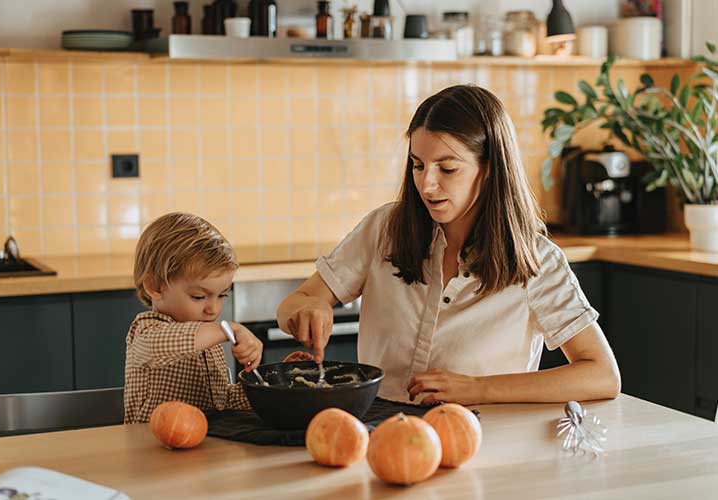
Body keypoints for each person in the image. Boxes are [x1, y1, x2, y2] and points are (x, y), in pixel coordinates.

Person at [277, 85, 621, 406]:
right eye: (418, 165)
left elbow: (602, 374)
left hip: (485, 440)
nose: (427, 185)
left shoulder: (536, 261)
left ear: (489, 169)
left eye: (448, 168)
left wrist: (479, 389)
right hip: (380, 432)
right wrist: (308, 309)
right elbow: (297, 301)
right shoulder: (384, 229)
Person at [125, 212, 264, 424]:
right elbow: (160, 346)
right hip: (152, 450)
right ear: (155, 287)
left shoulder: (208, 340)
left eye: (222, 295)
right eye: (199, 296)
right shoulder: (145, 331)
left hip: (204, 447)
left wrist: (275, 385)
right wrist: (227, 329)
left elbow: (221, 403)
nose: (214, 309)